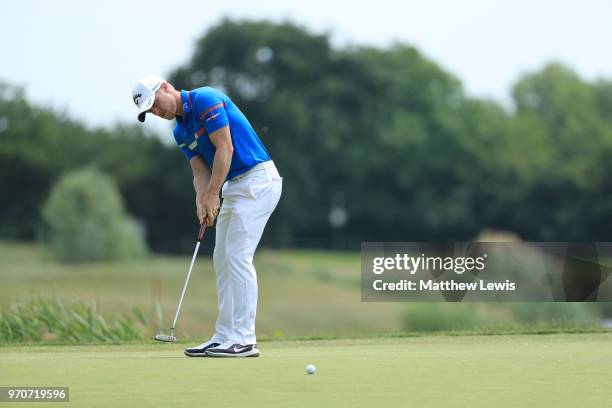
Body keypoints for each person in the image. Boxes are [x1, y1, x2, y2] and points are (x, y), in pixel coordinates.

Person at [132, 74, 282, 357]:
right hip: (235, 187)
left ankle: (245, 339)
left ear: (165, 87)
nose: (155, 111)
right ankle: (224, 335)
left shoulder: (205, 100)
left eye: (154, 104)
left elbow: (226, 149)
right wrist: (202, 200)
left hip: (257, 180)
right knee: (222, 259)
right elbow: (200, 171)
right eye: (149, 111)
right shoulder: (179, 131)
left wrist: (213, 194)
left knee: (237, 256)